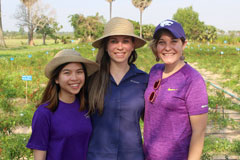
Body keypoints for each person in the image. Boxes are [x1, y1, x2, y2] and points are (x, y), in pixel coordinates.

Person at [143, 19, 208, 160]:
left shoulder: (192, 79)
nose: (167, 47)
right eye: (162, 42)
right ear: (156, 46)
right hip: (148, 155)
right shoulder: (155, 71)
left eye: (173, 41)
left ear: (183, 44)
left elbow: (199, 131)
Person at [87, 17, 148, 160]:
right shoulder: (91, 79)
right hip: (97, 156)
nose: (120, 47)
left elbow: (153, 120)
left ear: (133, 45)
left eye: (125, 41)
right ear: (106, 46)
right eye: (114, 41)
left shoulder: (144, 80)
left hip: (133, 156)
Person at [26, 49, 99, 160]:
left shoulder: (86, 107)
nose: (74, 78)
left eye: (79, 72)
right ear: (56, 79)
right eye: (67, 73)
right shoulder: (44, 113)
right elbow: (39, 156)